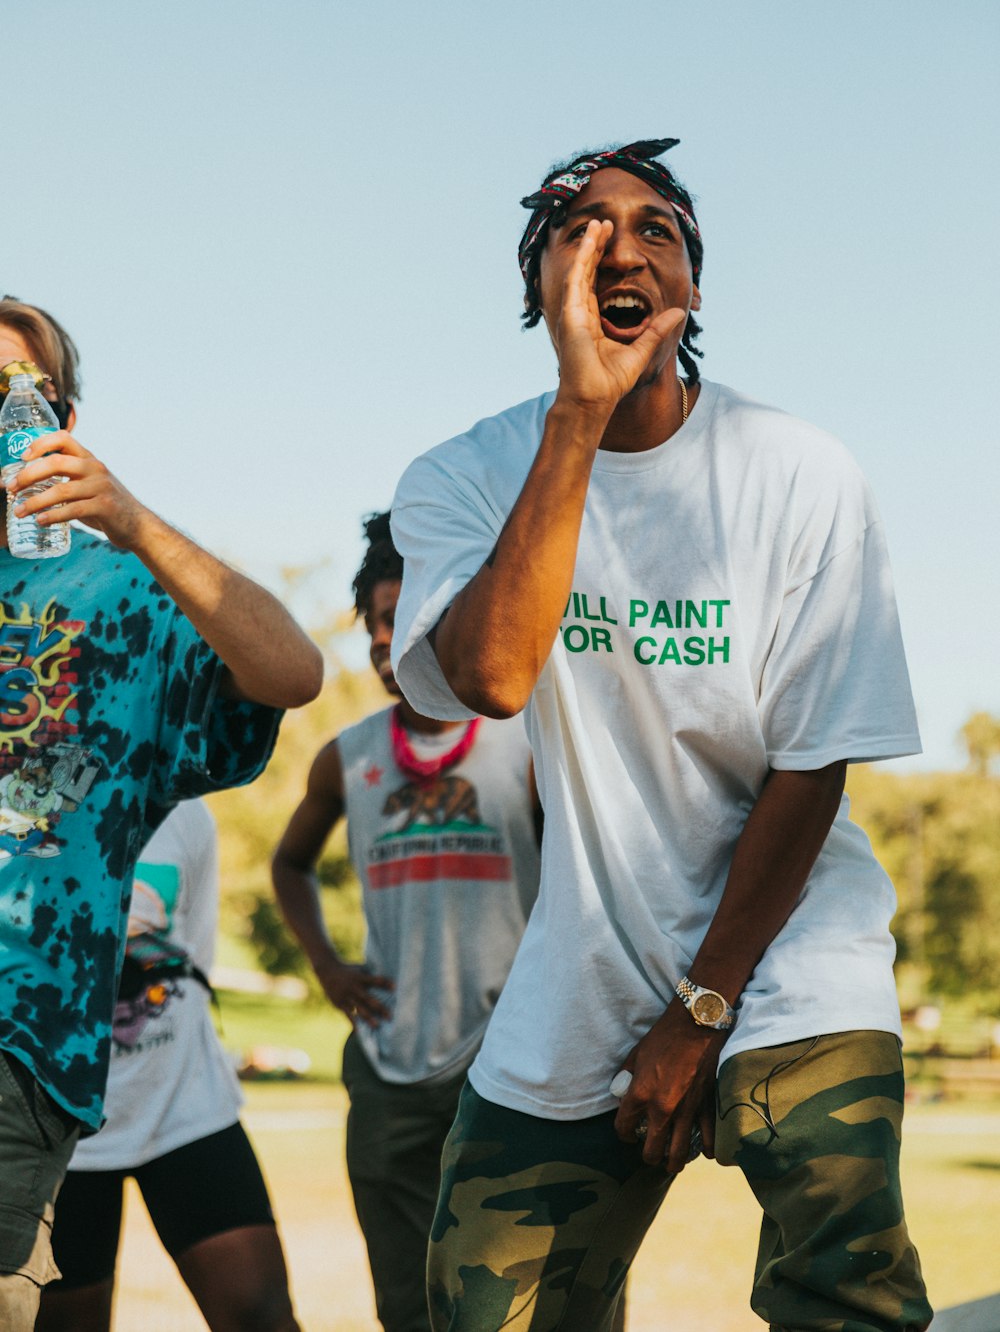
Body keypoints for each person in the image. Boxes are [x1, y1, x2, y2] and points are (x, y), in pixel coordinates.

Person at [388, 139, 934, 1332]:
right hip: (582, 965)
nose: (623, 247)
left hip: (787, 950)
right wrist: (578, 417)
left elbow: (811, 762)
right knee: (478, 1308)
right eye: (582, 229)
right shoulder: (461, 478)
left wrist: (702, 1008)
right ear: (541, 284)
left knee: (849, 1293)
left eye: (658, 230)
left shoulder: (798, 471)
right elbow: (488, 677)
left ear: (693, 287)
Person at [0, 298, 322, 1330]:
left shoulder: (118, 597)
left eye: (25, 390)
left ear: (63, 419)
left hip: (20, 1049)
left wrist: (132, 522)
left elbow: (291, 670)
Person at [272, 511, 541, 1332]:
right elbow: (289, 864)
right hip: (387, 1069)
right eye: (374, 625)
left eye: (404, 619)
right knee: (408, 1302)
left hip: (506, 1062)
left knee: (527, 1297)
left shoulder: (525, 742)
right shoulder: (346, 757)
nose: (387, 642)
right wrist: (327, 965)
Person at [37, 798, 299, 1332]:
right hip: (63, 1120)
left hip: (184, 1104)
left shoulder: (187, 811)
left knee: (260, 1315)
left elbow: (193, 956)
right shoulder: (25, 807)